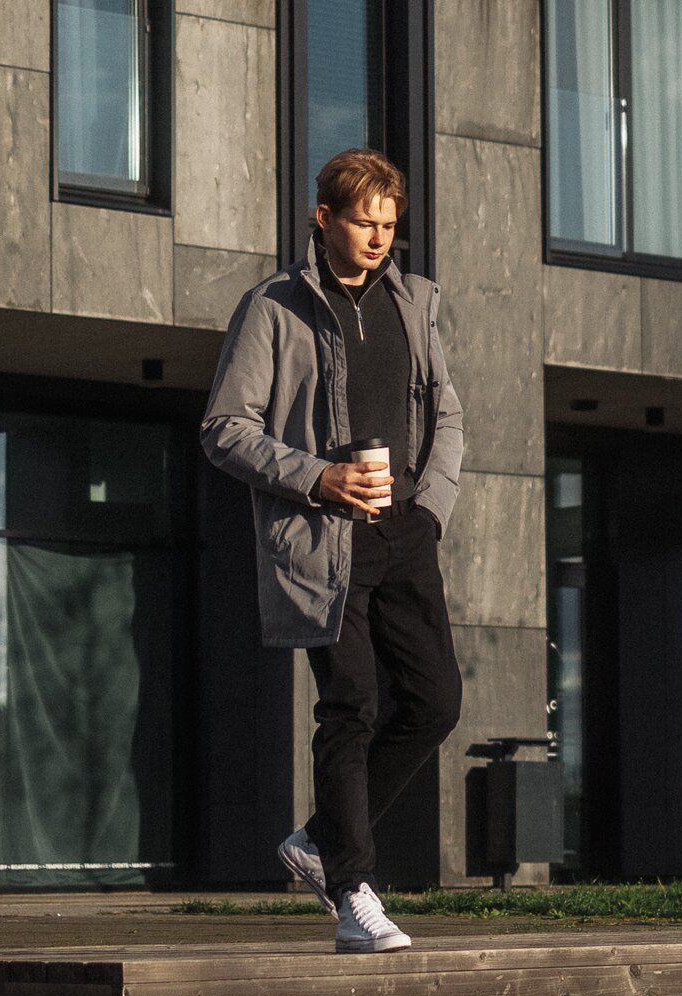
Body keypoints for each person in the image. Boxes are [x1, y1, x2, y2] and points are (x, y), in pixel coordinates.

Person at [200, 149, 463, 953]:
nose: (379, 237)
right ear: (324, 218)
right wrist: (320, 480)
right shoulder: (274, 307)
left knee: (434, 703)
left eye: (389, 224)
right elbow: (224, 429)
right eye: (362, 221)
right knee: (349, 706)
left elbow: (448, 414)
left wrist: (432, 510)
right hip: (321, 543)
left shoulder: (414, 305)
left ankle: (317, 840)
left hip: (406, 534)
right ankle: (352, 891)